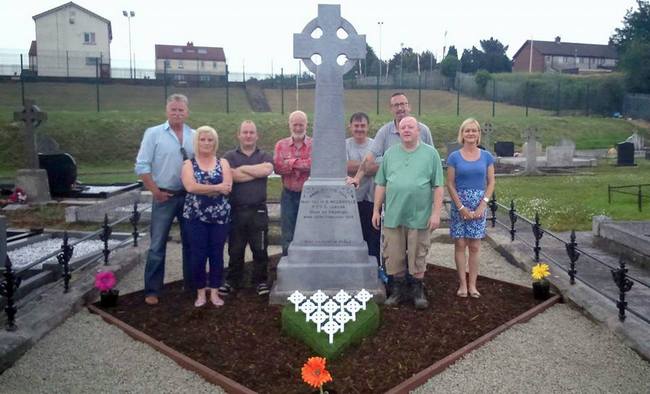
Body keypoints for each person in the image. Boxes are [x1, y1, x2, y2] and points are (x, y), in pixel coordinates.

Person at [372, 116, 444, 310]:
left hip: (419, 216)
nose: (406, 130)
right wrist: (376, 209)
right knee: (393, 254)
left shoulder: (431, 154)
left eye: (410, 127)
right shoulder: (390, 154)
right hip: (394, 215)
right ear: (399, 131)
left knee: (418, 253)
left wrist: (436, 213)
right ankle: (398, 291)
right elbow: (381, 183)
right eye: (402, 127)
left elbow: (438, 186)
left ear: (418, 130)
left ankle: (417, 290)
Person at [135, 93, 194, 305]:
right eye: (173, 109)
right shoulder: (153, 134)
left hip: (188, 197)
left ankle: (191, 285)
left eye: (181, 110)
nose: (177, 113)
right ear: (167, 111)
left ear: (187, 112)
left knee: (191, 243)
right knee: (157, 244)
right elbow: (142, 166)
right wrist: (155, 191)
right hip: (163, 196)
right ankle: (152, 290)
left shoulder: (194, 135)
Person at [221, 120, 274, 296]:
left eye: (251, 132)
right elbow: (231, 176)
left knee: (260, 248)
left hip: (258, 210)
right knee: (235, 249)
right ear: (239, 135)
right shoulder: (229, 156)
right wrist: (252, 172)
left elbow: (266, 170)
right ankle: (233, 280)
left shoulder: (265, 155)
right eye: (245, 132)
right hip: (236, 210)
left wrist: (241, 170)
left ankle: (260, 281)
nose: (248, 135)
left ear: (257, 135)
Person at [181, 126, 232, 307]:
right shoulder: (189, 164)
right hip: (195, 218)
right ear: (197, 142)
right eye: (202, 139)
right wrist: (216, 187)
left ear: (215, 143)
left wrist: (208, 188)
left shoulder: (223, 162)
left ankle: (215, 292)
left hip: (219, 218)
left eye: (210, 140)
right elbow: (191, 187)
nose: (206, 143)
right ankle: (201, 293)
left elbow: (227, 187)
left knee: (216, 254)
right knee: (198, 255)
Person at [446, 118, 495, 299]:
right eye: (467, 130)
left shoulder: (487, 156)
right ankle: (462, 285)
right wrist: (460, 207)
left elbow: (491, 182)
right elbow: (450, 183)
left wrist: (483, 204)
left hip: (479, 205)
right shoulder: (454, 157)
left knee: (474, 245)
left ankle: (473, 285)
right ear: (462, 133)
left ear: (478, 134)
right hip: (460, 204)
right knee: (460, 244)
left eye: (474, 130)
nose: (471, 134)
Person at [349, 92, 434, 186]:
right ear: (391, 109)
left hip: (420, 190)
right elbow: (369, 159)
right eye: (396, 105)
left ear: (409, 107)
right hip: (393, 192)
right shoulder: (384, 132)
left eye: (403, 104)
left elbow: (432, 160)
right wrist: (357, 178)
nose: (400, 108)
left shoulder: (424, 131)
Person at [274, 110, 312, 256]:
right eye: (295, 124)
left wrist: (290, 163)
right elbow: (277, 167)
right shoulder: (280, 145)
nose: (298, 128)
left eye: (301, 125)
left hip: (309, 196)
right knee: (287, 231)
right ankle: (288, 262)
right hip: (288, 195)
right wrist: (301, 164)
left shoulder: (314, 144)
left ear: (306, 125)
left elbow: (313, 165)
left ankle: (307, 264)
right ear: (289, 125)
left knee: (308, 232)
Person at [345, 112, 380, 265]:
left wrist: (356, 167)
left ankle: (374, 269)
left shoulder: (376, 145)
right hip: (351, 201)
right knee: (352, 237)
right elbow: (344, 167)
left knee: (373, 237)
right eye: (356, 126)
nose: (359, 129)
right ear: (350, 127)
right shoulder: (344, 145)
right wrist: (367, 165)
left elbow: (379, 168)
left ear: (368, 127)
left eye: (363, 126)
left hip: (372, 199)